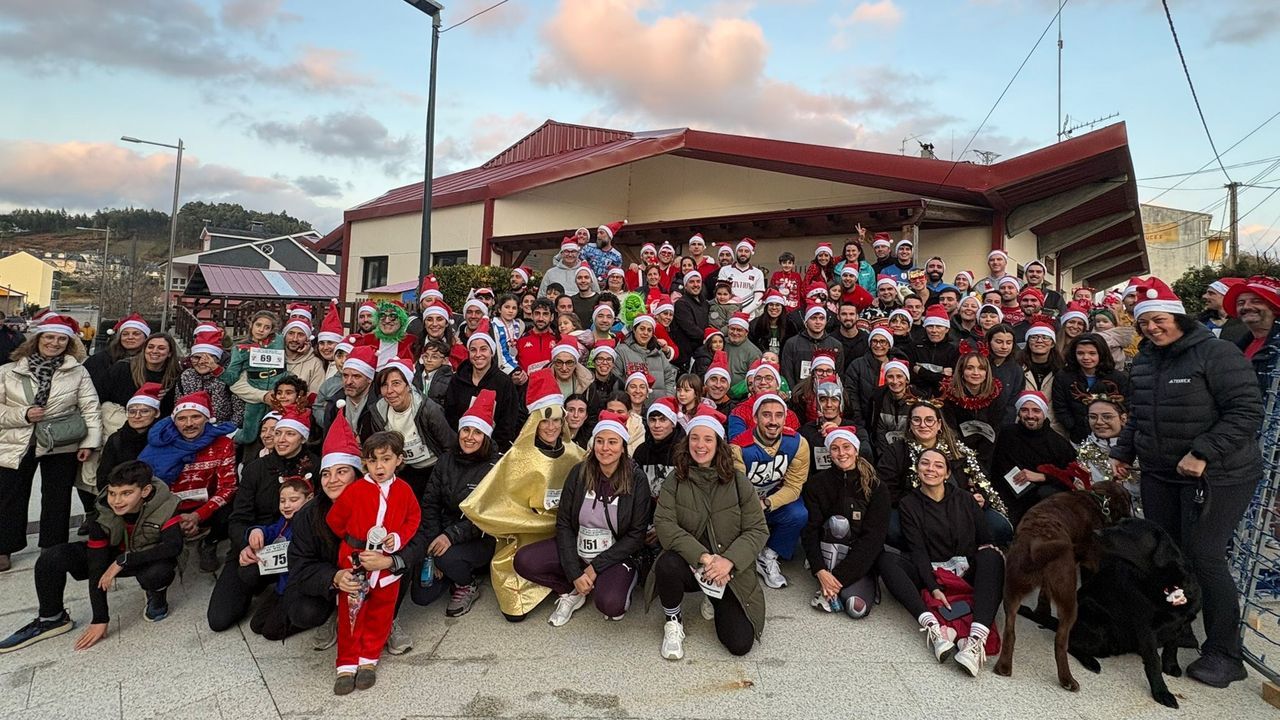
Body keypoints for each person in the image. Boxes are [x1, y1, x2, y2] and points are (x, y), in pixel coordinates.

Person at [1112, 277, 1262, 688]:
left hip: (1220, 474)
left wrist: (1203, 452)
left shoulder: (1217, 353)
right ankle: (1179, 628)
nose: (1151, 328)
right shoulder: (1145, 359)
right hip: (1161, 473)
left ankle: (1225, 652)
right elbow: (1140, 414)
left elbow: (1246, 411)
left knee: (1204, 555)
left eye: (1158, 320)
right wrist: (1124, 451)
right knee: (1167, 553)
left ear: (1177, 316)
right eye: (1144, 323)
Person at [0, 460, 182, 652]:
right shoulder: (103, 510)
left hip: (146, 558)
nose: (117, 501)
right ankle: (51, 618)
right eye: (112, 493)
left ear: (145, 491)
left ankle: (156, 596)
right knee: (52, 557)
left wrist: (125, 560)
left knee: (158, 572)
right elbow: (97, 567)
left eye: (126, 493)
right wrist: (100, 618)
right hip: (111, 556)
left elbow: (173, 547)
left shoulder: (165, 505)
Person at [461, 370, 587, 621]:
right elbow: (497, 498)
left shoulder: (576, 454)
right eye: (545, 421)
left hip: (565, 532)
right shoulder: (517, 457)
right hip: (526, 534)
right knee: (513, 613)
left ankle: (567, 585)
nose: (551, 427)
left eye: (556, 421)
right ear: (535, 423)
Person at [648, 407, 768, 659]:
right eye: (694, 438)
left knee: (740, 644)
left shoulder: (738, 481)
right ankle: (673, 621)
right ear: (687, 442)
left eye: (707, 439)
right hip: (692, 564)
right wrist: (704, 558)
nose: (700, 445)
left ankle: (712, 597)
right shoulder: (675, 479)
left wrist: (729, 561)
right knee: (667, 564)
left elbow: (757, 529)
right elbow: (665, 524)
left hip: (727, 570)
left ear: (718, 444)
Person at [513, 410, 651, 626]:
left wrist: (595, 568)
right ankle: (572, 590)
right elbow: (564, 523)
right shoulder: (579, 472)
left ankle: (606, 582)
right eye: (600, 441)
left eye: (613, 442)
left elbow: (636, 535)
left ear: (623, 447)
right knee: (524, 560)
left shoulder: (637, 479)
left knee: (611, 605)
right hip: (579, 548)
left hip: (615, 554)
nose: (605, 448)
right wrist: (574, 574)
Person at [876, 448, 1006, 676]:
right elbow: (917, 550)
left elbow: (986, 539)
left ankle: (975, 641)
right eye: (925, 463)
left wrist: (988, 556)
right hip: (931, 571)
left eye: (938, 465)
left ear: (947, 473)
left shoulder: (965, 499)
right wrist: (933, 586)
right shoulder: (909, 503)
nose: (931, 469)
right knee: (886, 560)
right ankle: (933, 628)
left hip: (965, 570)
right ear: (917, 469)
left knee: (992, 555)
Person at [0, 315, 102, 573]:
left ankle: (53, 547)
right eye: (49, 337)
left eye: (61, 339)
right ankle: (4, 547)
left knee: (57, 496)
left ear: (69, 343)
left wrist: (89, 443)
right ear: (37, 339)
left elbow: (90, 408)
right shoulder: (8, 371)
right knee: (9, 495)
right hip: (16, 441)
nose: (55, 343)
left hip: (61, 440)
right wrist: (23, 414)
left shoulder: (78, 371)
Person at [326, 431, 421, 695]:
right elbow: (335, 521)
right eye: (372, 460)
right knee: (351, 612)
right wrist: (353, 544)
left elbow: (413, 518)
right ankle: (346, 663)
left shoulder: (404, 490)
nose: (379, 466)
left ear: (398, 460)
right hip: (356, 562)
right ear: (364, 462)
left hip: (386, 567)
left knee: (381, 611)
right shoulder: (355, 490)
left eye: (386, 459)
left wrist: (397, 539)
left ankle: (369, 658)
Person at [876, 400, 1010, 545]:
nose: (923, 425)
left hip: (959, 507)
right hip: (916, 509)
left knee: (999, 526)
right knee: (893, 529)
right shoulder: (896, 451)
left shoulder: (957, 449)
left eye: (929, 420)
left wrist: (981, 497)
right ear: (909, 424)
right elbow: (886, 489)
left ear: (939, 424)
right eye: (917, 420)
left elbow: (981, 479)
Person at [414, 389, 499, 617]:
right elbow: (430, 503)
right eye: (466, 430)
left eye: (477, 432)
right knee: (421, 596)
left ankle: (467, 584)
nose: (470, 437)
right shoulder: (445, 460)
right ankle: (449, 569)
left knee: (446, 558)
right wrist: (433, 541)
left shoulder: (495, 467)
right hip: (443, 531)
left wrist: (450, 537)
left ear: (486, 437)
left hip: (480, 537)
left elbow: (486, 515)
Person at [137, 389, 238, 573]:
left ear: (207, 419)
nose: (189, 424)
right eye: (182, 419)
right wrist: (175, 518)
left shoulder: (223, 444)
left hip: (205, 504)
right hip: (168, 506)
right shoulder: (159, 446)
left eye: (196, 417)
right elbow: (148, 488)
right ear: (174, 421)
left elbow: (228, 487)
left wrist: (198, 515)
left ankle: (210, 543)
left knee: (233, 509)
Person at [285, 416, 361, 651]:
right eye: (326, 474)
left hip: (375, 574)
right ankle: (335, 612)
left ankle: (389, 619)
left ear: (357, 474)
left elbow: (410, 543)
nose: (332, 480)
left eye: (342, 472)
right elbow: (299, 563)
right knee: (302, 613)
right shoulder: (308, 515)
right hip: (334, 580)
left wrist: (388, 560)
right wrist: (333, 578)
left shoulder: (381, 502)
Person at [801, 426, 888, 617]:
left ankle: (835, 586)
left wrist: (837, 579)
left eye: (846, 447)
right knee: (838, 523)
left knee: (856, 609)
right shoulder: (816, 484)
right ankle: (829, 583)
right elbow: (810, 530)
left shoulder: (876, 486)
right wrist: (819, 570)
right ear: (829, 453)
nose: (841, 453)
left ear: (856, 450)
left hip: (860, 556)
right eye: (835, 448)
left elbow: (873, 538)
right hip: (828, 551)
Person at [730, 393, 810, 590]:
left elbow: (794, 486)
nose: (773, 421)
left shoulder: (797, 443)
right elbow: (735, 488)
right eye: (766, 415)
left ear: (785, 418)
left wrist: (767, 503)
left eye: (778, 415)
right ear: (755, 418)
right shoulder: (738, 447)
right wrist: (752, 506)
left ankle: (769, 554)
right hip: (742, 503)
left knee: (798, 513)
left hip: (771, 500)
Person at [360, 356, 457, 498]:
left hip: (431, 468)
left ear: (408, 386)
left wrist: (446, 477)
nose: (390, 391)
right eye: (384, 385)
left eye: (396, 383)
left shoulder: (428, 410)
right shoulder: (378, 412)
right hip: (400, 470)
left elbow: (449, 446)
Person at [239, 474, 313, 640]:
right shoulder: (284, 522)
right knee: (256, 625)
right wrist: (256, 531)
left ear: (309, 499)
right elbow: (271, 530)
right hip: (282, 585)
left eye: (293, 500)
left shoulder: (309, 524)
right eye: (282, 501)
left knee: (271, 632)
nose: (286, 505)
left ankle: (313, 619)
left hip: (298, 587)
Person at [990, 391, 1078, 527]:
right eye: (1024, 410)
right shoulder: (1005, 435)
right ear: (1018, 413)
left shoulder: (1058, 444)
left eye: (1036, 410)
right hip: (1007, 498)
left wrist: (1043, 477)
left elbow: (1070, 477)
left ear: (1044, 413)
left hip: (1042, 504)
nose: (1030, 415)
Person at [443, 319, 524, 451]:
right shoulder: (457, 380)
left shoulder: (504, 383)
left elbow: (508, 422)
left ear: (492, 352)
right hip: (461, 446)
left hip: (492, 450)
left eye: (483, 349)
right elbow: (450, 415)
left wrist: (493, 449)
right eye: (473, 350)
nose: (478, 354)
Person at [1051, 333, 1130, 442]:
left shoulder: (1118, 378)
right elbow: (1060, 407)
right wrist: (1073, 426)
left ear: (1101, 353)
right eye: (1080, 353)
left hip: (1113, 437)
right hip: (1078, 436)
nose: (1086, 358)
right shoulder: (1063, 377)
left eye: (1092, 353)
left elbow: (1127, 405)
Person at [227, 310, 287, 446]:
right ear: (251, 325)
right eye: (258, 325)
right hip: (254, 392)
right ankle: (231, 435)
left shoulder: (278, 341)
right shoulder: (241, 348)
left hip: (276, 392)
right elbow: (233, 378)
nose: (261, 330)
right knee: (250, 434)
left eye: (267, 327)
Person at [938, 350, 1005, 469]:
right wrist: (965, 457)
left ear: (987, 372)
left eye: (981, 368)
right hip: (958, 454)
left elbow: (995, 429)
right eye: (970, 368)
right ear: (961, 371)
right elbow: (951, 430)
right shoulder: (949, 396)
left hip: (987, 454)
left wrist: (980, 461)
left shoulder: (995, 396)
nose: (976, 373)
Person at [176, 329, 243, 425]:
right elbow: (178, 407)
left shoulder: (227, 377)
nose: (201, 362)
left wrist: (225, 429)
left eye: (208, 358)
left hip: (222, 428)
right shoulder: (185, 376)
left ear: (217, 359)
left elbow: (239, 413)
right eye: (196, 357)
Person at [779, 302, 843, 388]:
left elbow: (838, 375)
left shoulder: (835, 345)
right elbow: (787, 373)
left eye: (821, 318)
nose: (818, 322)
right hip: (798, 392)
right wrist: (795, 393)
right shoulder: (792, 344)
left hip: (826, 392)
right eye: (813, 318)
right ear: (806, 322)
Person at [615, 314, 677, 397]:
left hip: (658, 403)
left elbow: (669, 379)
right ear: (634, 330)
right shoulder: (621, 351)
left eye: (649, 330)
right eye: (642, 329)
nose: (645, 333)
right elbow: (616, 380)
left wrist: (667, 399)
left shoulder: (659, 353)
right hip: (631, 403)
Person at [718, 238, 766, 317]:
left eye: (746, 251)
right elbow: (720, 295)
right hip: (728, 315)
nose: (743, 253)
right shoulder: (725, 270)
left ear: (751, 253)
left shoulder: (758, 273)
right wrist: (731, 312)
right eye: (740, 251)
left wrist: (742, 313)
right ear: (736, 252)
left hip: (749, 317)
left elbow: (758, 300)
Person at [672, 270, 709, 363]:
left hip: (702, 352)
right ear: (685, 286)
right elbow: (690, 328)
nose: (696, 285)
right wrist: (709, 338)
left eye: (698, 281)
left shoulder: (705, 303)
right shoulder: (681, 304)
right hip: (687, 355)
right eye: (691, 282)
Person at [1200, 278, 1248, 343]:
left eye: (1211, 293)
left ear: (1227, 297)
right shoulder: (1199, 321)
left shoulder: (1246, 324)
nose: (1204, 296)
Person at [415, 338, 454, 406]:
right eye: (426, 356)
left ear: (445, 360)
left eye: (434, 357)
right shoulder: (415, 374)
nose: (429, 360)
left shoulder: (450, 380)